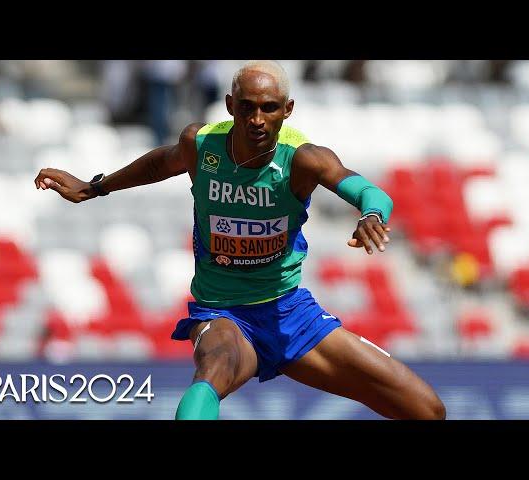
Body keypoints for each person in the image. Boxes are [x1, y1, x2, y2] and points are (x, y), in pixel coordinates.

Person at [34, 60, 446, 420]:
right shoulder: (201, 144)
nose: (257, 119)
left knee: (427, 409)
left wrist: (372, 214)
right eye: (246, 107)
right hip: (223, 313)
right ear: (231, 106)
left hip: (290, 315)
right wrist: (94, 187)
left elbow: (372, 194)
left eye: (269, 108)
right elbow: (162, 162)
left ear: (287, 110)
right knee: (214, 370)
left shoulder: (303, 159)